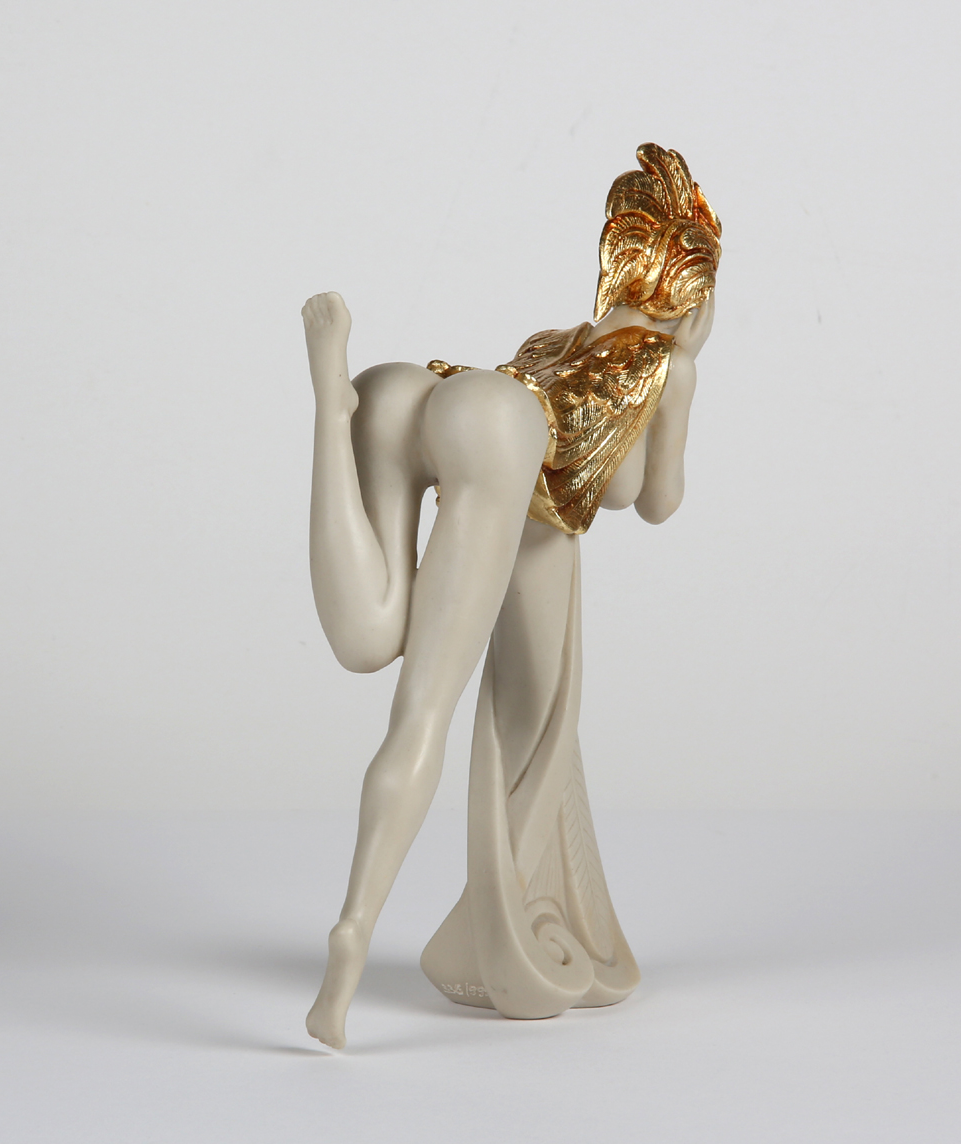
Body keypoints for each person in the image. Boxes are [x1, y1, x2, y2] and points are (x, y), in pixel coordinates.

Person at [302, 144, 720, 1049]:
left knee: (369, 635)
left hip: (420, 391)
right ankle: (354, 930)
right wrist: (676, 393)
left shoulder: (553, 340)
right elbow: (642, 497)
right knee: (433, 715)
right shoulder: (665, 364)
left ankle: (336, 415)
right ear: (697, 298)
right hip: (505, 455)